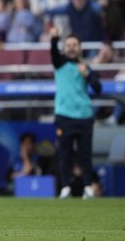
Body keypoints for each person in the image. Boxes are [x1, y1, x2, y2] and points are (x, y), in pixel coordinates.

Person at [49, 27, 102, 199]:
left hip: (84, 116)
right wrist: (54, 39)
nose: (71, 47)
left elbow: (98, 88)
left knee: (84, 155)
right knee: (65, 155)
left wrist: (86, 73)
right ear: (65, 47)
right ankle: (65, 187)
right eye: (69, 45)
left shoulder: (85, 67)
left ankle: (87, 187)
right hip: (64, 116)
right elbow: (54, 54)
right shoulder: (59, 64)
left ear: (80, 48)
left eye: (75, 45)